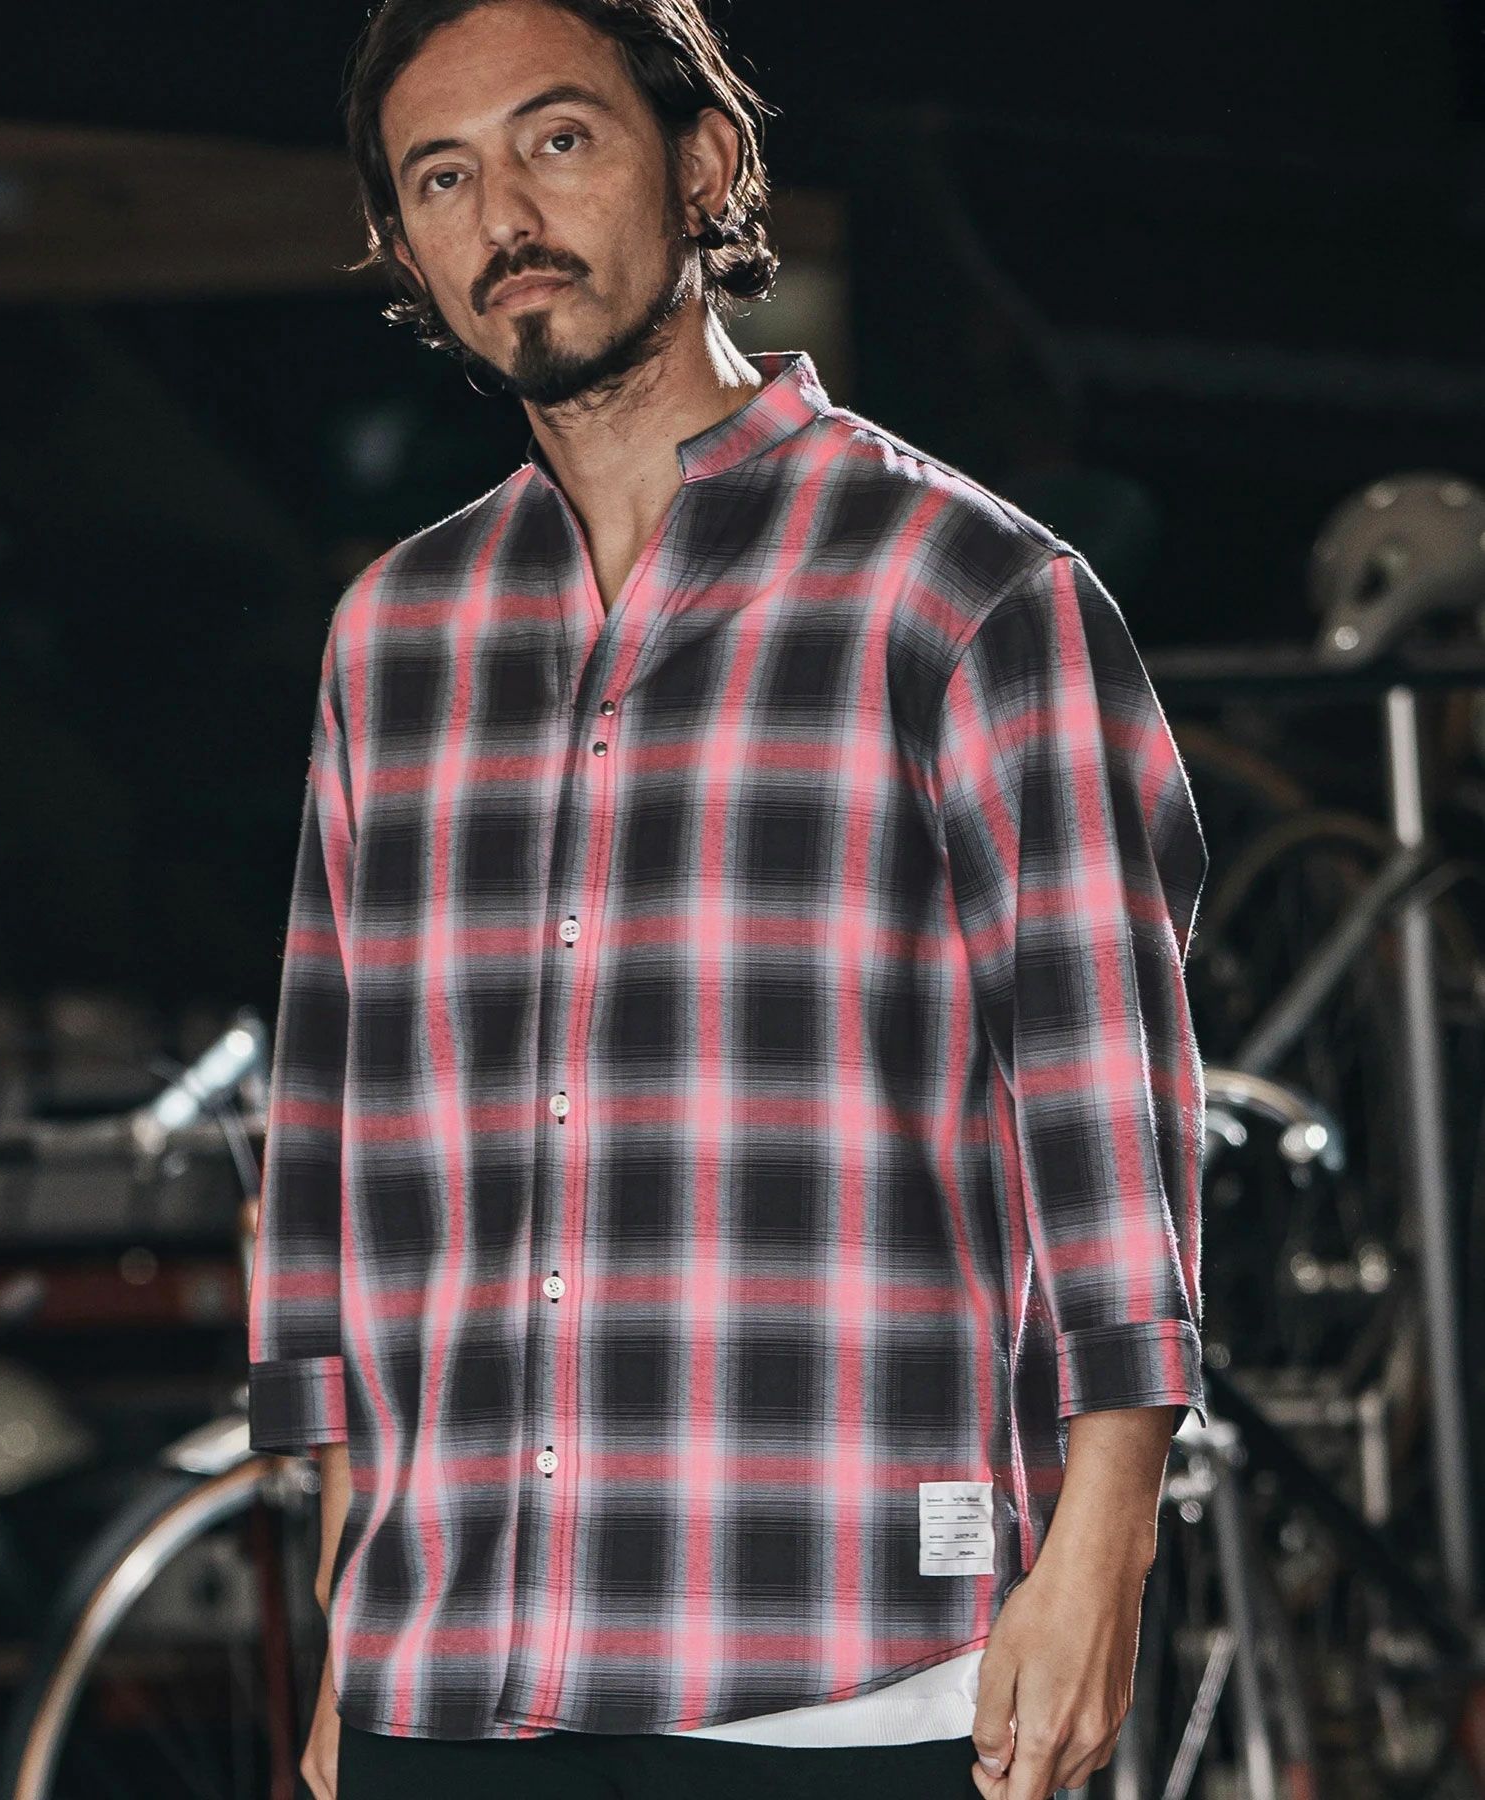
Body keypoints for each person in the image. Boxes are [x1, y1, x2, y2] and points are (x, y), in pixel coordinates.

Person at [244, 1, 1211, 1795]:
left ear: (702, 163)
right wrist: (349, 1596)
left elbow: (1104, 1107)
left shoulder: (967, 590)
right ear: (405, 244)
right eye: (440, 178)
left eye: (558, 140)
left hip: (843, 1657)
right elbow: (341, 1141)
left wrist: (1105, 1546)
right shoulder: (395, 636)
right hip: (451, 1670)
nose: (504, 215)